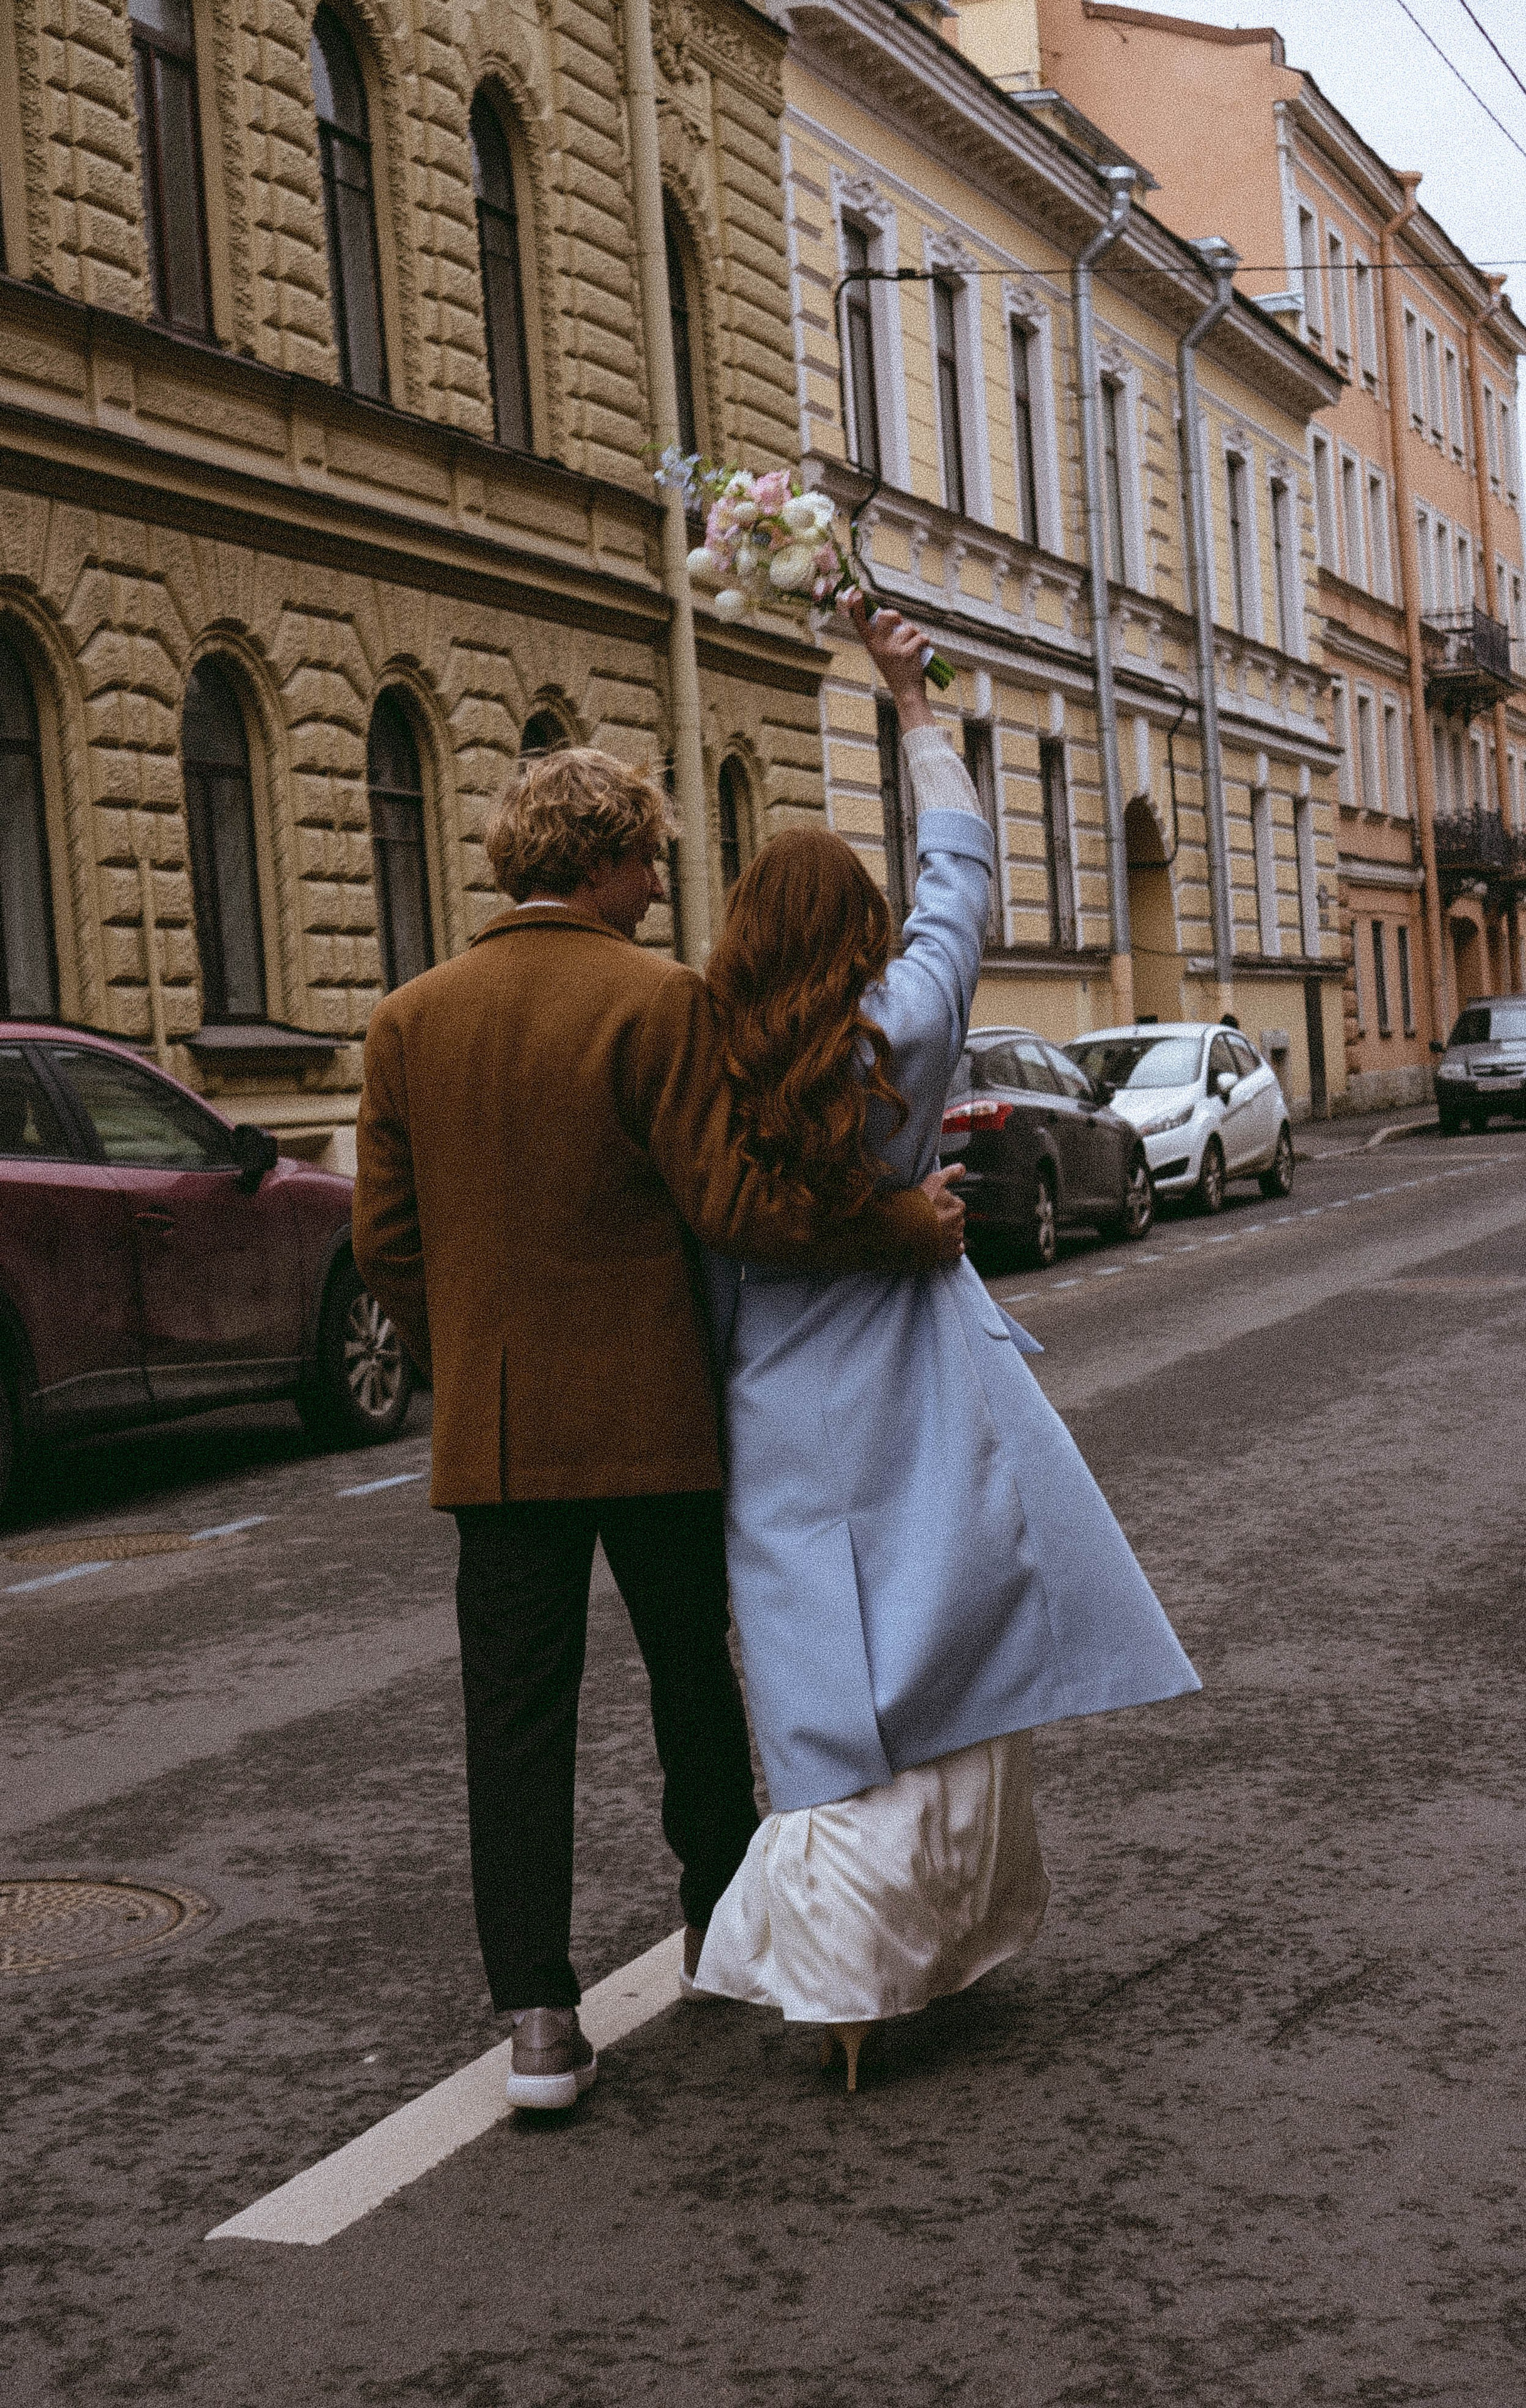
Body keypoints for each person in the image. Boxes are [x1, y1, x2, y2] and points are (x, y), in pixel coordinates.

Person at [352, 743, 964, 2112]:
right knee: (694, 1684)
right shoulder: (655, 1002)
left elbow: (387, 1246)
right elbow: (738, 1205)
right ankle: (713, 1930)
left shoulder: (409, 1019)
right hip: (652, 1423)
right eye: (649, 857)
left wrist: (481, 1359)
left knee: (513, 1727)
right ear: (605, 859)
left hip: (498, 1442)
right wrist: (901, 1227)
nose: (659, 879)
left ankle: (537, 2025)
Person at [690, 604, 1201, 2087]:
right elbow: (960, 883)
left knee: (820, 1706)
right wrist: (911, 704)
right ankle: (920, 1952)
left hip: (771, 1407)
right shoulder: (899, 1035)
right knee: (951, 1677)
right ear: (854, 931)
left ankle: (835, 1991)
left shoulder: (703, 1062)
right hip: (913, 1393)